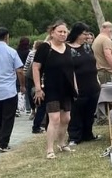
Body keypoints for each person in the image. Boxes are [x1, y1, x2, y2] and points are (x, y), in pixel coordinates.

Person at [32, 19, 77, 159]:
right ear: (52, 32)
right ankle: (50, 149)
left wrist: (75, 87)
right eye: (60, 32)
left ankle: (62, 143)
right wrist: (38, 88)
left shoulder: (68, 48)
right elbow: (35, 67)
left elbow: (71, 70)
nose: (63, 34)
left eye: (65, 32)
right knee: (54, 118)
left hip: (67, 88)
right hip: (51, 88)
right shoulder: (45, 48)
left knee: (66, 118)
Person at [66, 23, 99, 146]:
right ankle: (74, 136)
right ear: (77, 34)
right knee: (76, 112)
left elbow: (93, 63)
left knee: (90, 111)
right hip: (78, 85)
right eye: (85, 34)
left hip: (92, 84)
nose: (87, 37)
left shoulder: (87, 47)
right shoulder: (67, 49)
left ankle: (88, 134)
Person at [24, 39, 48, 133]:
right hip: (39, 81)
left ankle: (38, 123)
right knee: (42, 104)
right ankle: (38, 125)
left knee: (41, 104)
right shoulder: (41, 56)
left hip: (34, 81)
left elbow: (26, 68)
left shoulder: (34, 54)